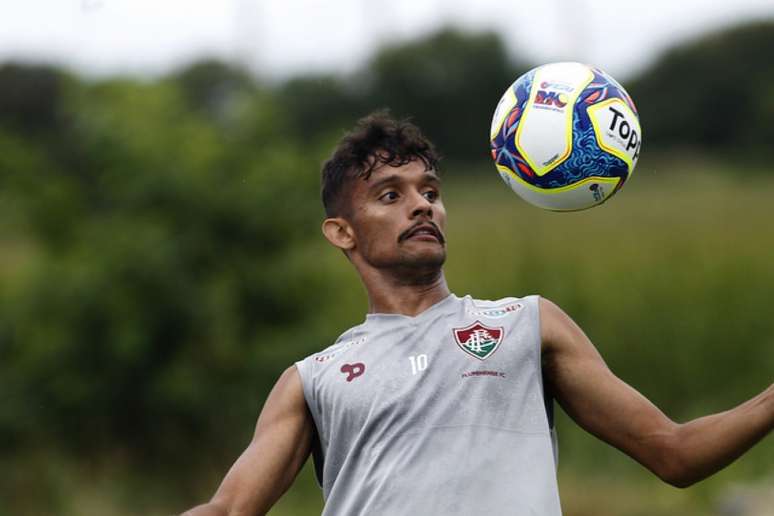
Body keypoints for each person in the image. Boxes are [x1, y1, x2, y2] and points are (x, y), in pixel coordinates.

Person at [183, 113, 773, 516]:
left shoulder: (528, 324)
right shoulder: (314, 378)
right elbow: (230, 508)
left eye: (431, 192)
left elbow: (675, 452)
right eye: (392, 195)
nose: (421, 205)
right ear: (342, 232)